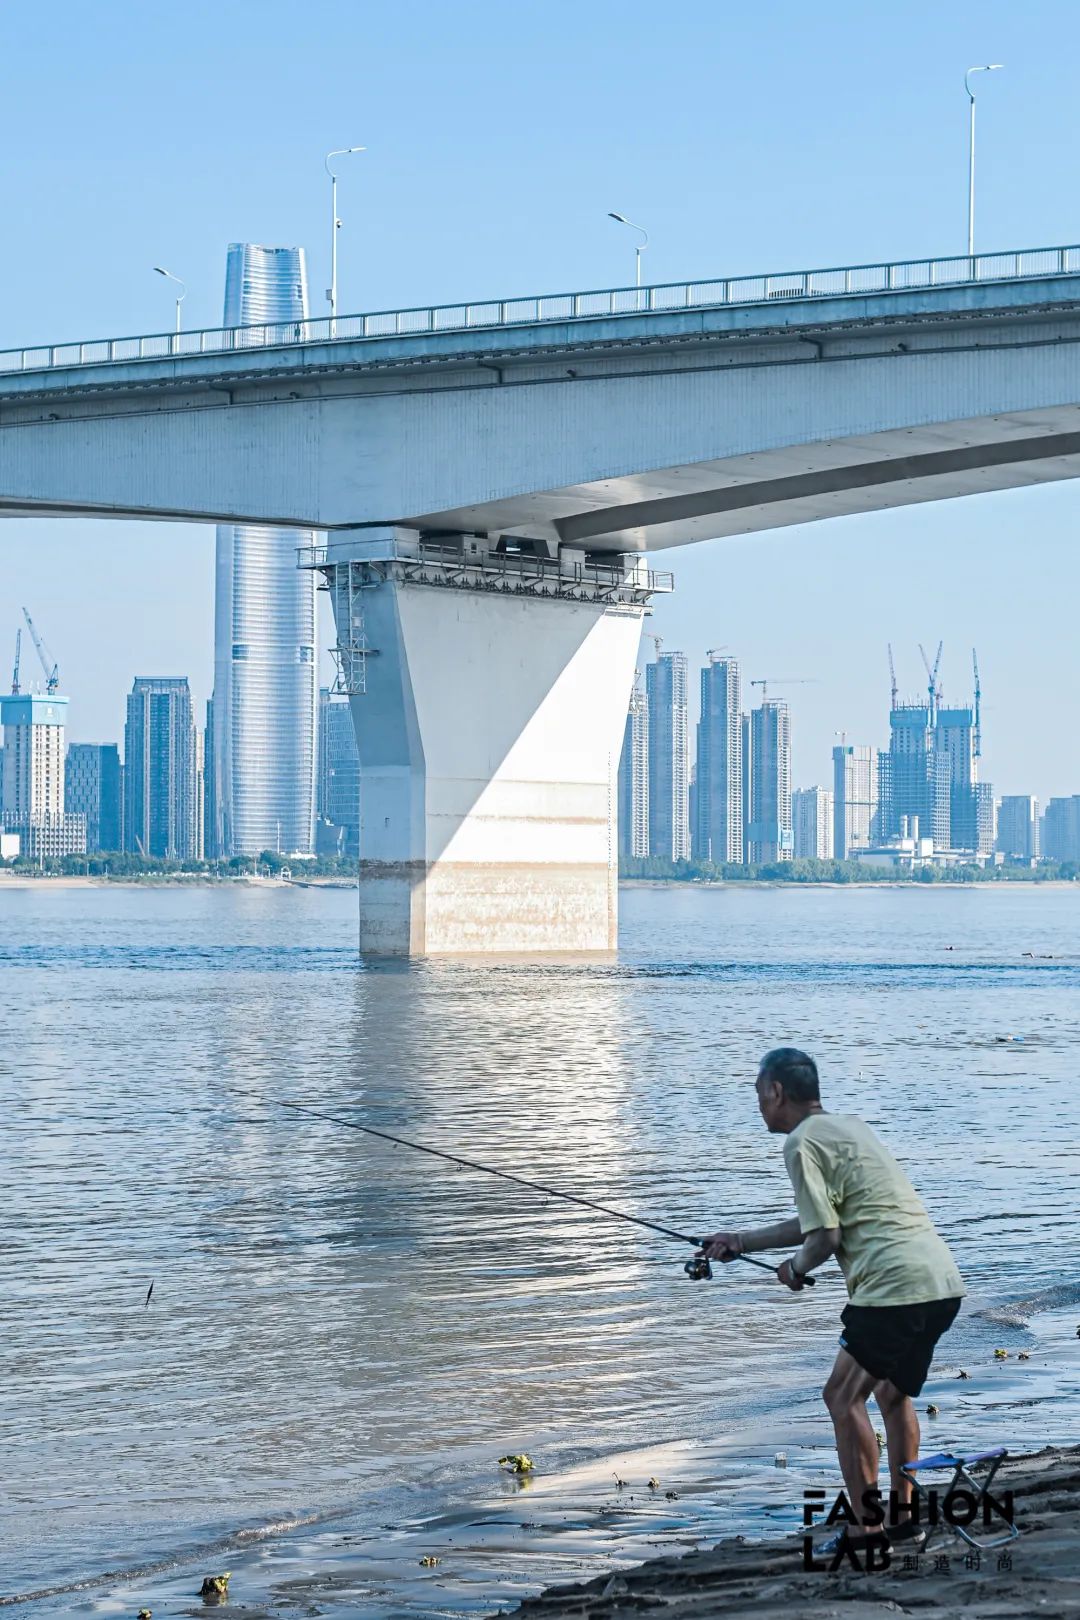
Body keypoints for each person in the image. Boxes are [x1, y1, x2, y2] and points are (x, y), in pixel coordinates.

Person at [700, 1047, 965, 1551]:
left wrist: (796, 1269)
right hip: (939, 1283)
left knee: (842, 1397)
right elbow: (822, 1219)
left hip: (890, 1290)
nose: (759, 1106)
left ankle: (866, 1531)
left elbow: (824, 1237)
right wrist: (742, 1241)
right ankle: (903, 1519)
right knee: (892, 1395)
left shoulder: (800, 1142)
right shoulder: (851, 1128)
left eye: (759, 1094)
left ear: (776, 1091)